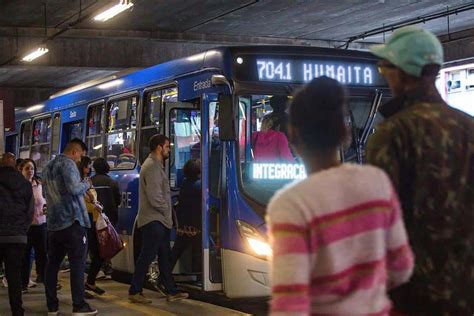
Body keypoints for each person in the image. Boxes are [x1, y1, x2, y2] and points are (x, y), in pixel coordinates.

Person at [267, 77, 414, 315]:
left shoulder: (291, 205)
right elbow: (402, 269)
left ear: (292, 134)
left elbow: (290, 306)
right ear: (344, 132)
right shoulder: (377, 183)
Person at [367, 25, 474, 315]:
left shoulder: (393, 133)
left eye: (384, 67)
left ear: (402, 73)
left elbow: (377, 223)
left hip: (412, 296)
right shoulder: (468, 127)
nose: (384, 74)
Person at [128, 134, 188, 304]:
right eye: (168, 147)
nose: (169, 150)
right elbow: (155, 198)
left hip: (158, 220)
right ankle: (135, 290)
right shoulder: (152, 167)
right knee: (147, 256)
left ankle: (170, 290)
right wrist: (167, 211)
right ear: (159, 148)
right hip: (154, 220)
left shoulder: (155, 165)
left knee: (164, 256)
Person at [42, 138, 98, 315]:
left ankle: (52, 306)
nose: (80, 159)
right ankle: (79, 305)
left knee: (52, 264)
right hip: (72, 221)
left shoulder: (48, 167)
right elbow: (74, 189)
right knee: (77, 264)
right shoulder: (68, 164)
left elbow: (45, 193)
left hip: (53, 223)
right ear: (75, 151)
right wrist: (87, 183)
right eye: (80, 155)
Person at [0, 152, 33, 316]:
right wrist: (22, 230)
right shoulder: (25, 184)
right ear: (14, 165)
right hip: (18, 237)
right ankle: (17, 311)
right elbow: (30, 211)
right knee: (14, 276)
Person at [78, 156, 105, 296]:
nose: (89, 170)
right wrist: (93, 203)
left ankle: (90, 281)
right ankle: (80, 289)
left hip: (93, 221)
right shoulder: (77, 183)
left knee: (99, 254)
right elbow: (84, 201)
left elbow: (93, 198)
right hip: (83, 221)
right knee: (81, 255)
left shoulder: (88, 181)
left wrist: (97, 204)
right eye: (87, 167)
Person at [19, 159, 47, 292]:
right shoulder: (19, 185)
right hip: (26, 226)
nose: (30, 171)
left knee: (42, 254)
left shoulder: (39, 184)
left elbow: (44, 200)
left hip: (41, 223)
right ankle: (23, 283)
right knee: (25, 256)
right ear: (21, 170)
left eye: (32, 168)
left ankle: (46, 279)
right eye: (27, 168)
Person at [170, 159, 202, 274]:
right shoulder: (200, 186)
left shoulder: (184, 183)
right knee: (198, 250)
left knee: (177, 250)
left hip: (183, 224)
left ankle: (164, 275)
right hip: (196, 226)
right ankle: (199, 274)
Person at [91, 157, 121, 226]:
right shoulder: (112, 182)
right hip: (109, 218)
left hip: (93, 217)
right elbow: (118, 201)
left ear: (94, 168)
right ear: (106, 167)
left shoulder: (89, 182)